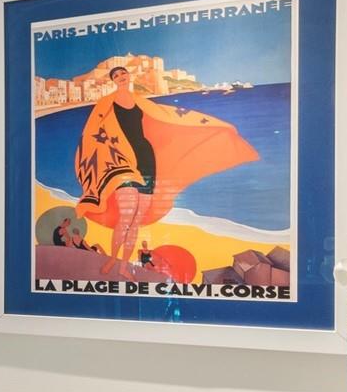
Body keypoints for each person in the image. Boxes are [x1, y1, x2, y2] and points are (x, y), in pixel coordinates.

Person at [73, 62, 257, 277]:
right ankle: (112, 260)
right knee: (126, 216)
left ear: (128, 76)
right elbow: (91, 131)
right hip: (122, 160)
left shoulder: (141, 101)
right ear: (113, 80)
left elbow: (168, 115)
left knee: (136, 220)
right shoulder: (106, 102)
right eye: (116, 74)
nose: (121, 76)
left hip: (145, 158)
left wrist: (215, 126)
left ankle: (123, 266)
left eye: (124, 72)